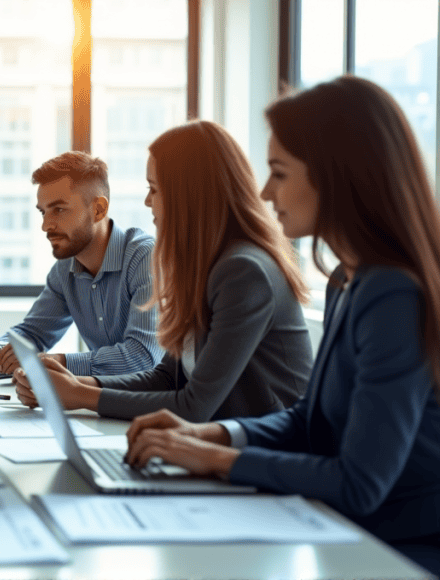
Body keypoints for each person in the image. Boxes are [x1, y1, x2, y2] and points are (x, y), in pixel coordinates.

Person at [125, 76, 440, 575]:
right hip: (339, 532)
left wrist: (215, 460)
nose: (267, 191)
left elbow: (359, 484)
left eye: (278, 172)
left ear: (337, 177)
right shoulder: (347, 280)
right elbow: (307, 419)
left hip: (396, 551)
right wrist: (212, 436)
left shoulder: (393, 294)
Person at [13, 121, 313, 422]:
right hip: (214, 442)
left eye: (154, 189)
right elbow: (167, 378)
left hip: (259, 452)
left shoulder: (244, 271)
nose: (147, 202)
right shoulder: (206, 268)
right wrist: (74, 385)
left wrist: (80, 395)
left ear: (189, 196)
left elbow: (194, 406)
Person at [0, 151, 162, 377]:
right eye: (43, 212)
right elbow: (34, 332)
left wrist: (55, 362)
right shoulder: (65, 268)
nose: (46, 225)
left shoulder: (145, 258)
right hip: (108, 400)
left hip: (163, 404)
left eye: (59, 210)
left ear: (99, 209)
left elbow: (142, 357)